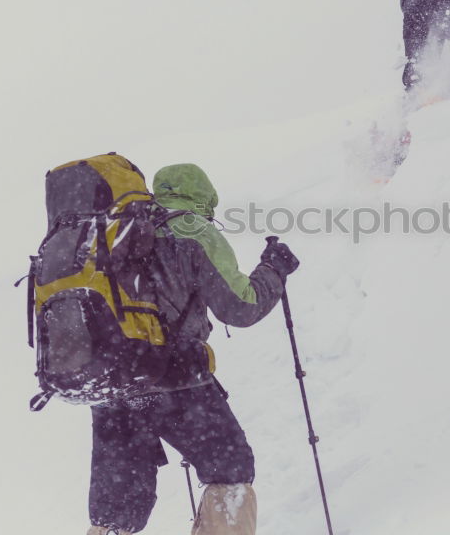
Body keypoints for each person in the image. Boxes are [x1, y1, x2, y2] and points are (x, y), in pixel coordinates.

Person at [87, 163, 300, 535]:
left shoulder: (112, 232)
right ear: (205, 197)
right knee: (229, 472)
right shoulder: (192, 229)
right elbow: (241, 307)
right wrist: (273, 270)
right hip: (176, 379)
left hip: (113, 385)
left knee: (118, 505)